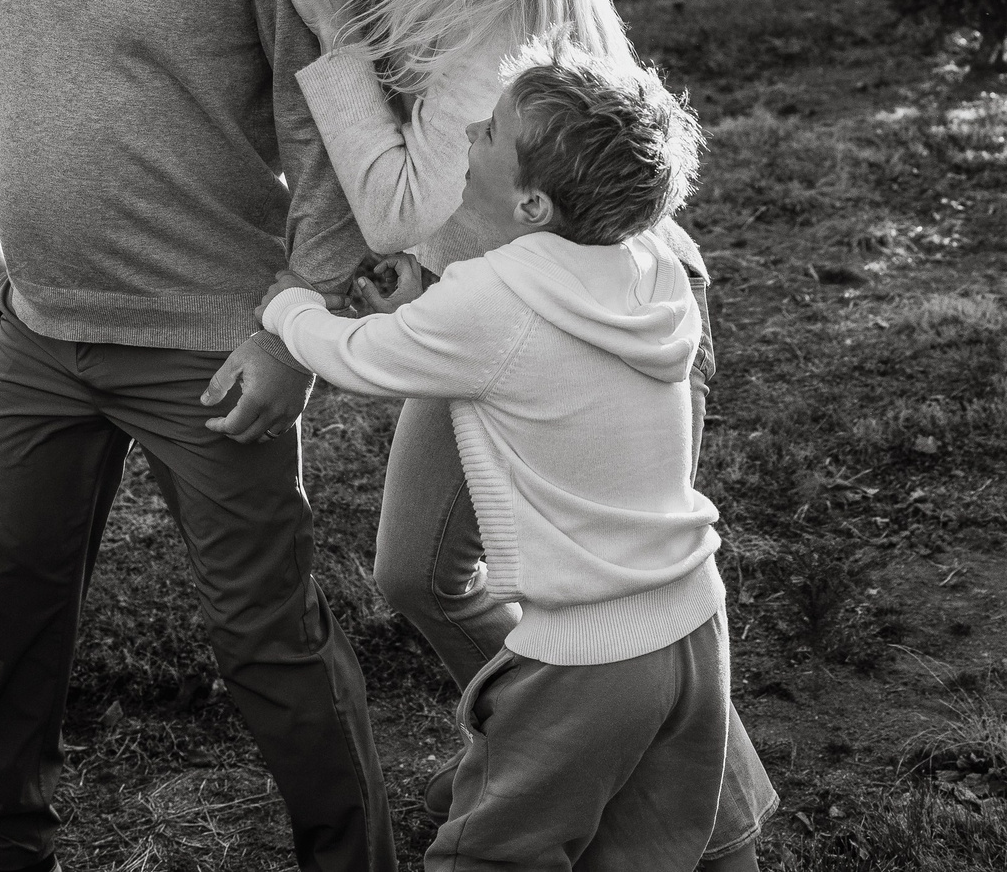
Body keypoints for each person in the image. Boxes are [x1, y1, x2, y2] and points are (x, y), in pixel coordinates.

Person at [2, 0, 775, 860]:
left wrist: (331, 37)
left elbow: (403, 206)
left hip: (596, 317)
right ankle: (606, 743)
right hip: (488, 307)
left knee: (611, 587)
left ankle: (658, 786)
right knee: (420, 574)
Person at [0, 0, 391, 872]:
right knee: (9, 603)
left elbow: (326, 132)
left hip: (213, 346)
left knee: (267, 639)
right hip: (40, 327)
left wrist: (296, 326)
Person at [254, 43, 735, 870]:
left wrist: (288, 306)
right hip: (693, 622)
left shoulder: (493, 295)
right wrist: (438, 306)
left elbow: (359, 355)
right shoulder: (650, 260)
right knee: (665, 846)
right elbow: (521, 339)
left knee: (486, 856)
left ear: (533, 202)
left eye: (491, 133)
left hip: (588, 656)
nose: (472, 128)